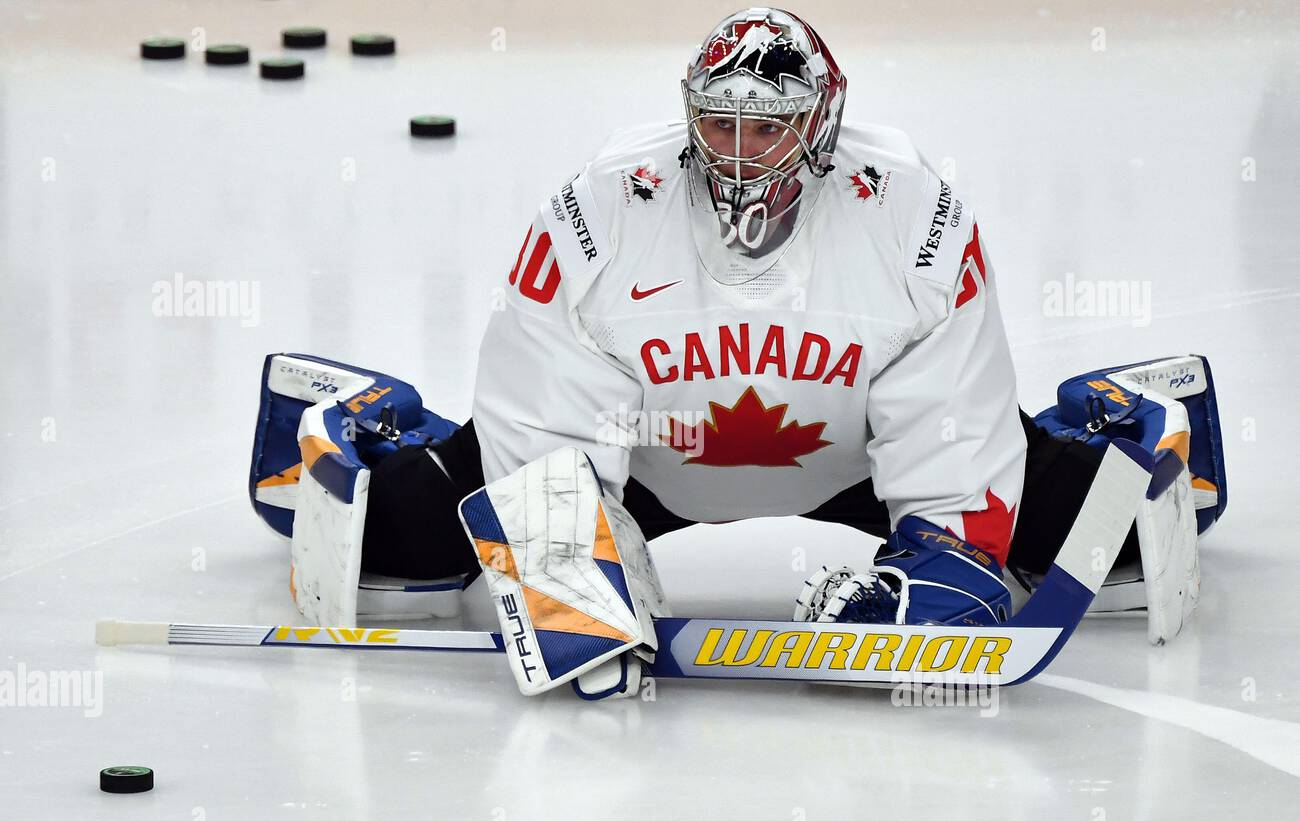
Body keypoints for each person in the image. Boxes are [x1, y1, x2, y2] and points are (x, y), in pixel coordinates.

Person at [250, 9, 1225, 698]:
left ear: (821, 123)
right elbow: (541, 397)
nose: (738, 150)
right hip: (641, 459)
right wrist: (563, 563)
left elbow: (948, 406)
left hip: (858, 458)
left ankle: (1115, 413)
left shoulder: (910, 212)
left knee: (1115, 532)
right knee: (400, 545)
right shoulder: (601, 209)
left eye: (769, 127)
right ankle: (362, 417)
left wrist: (949, 552)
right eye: (718, 122)